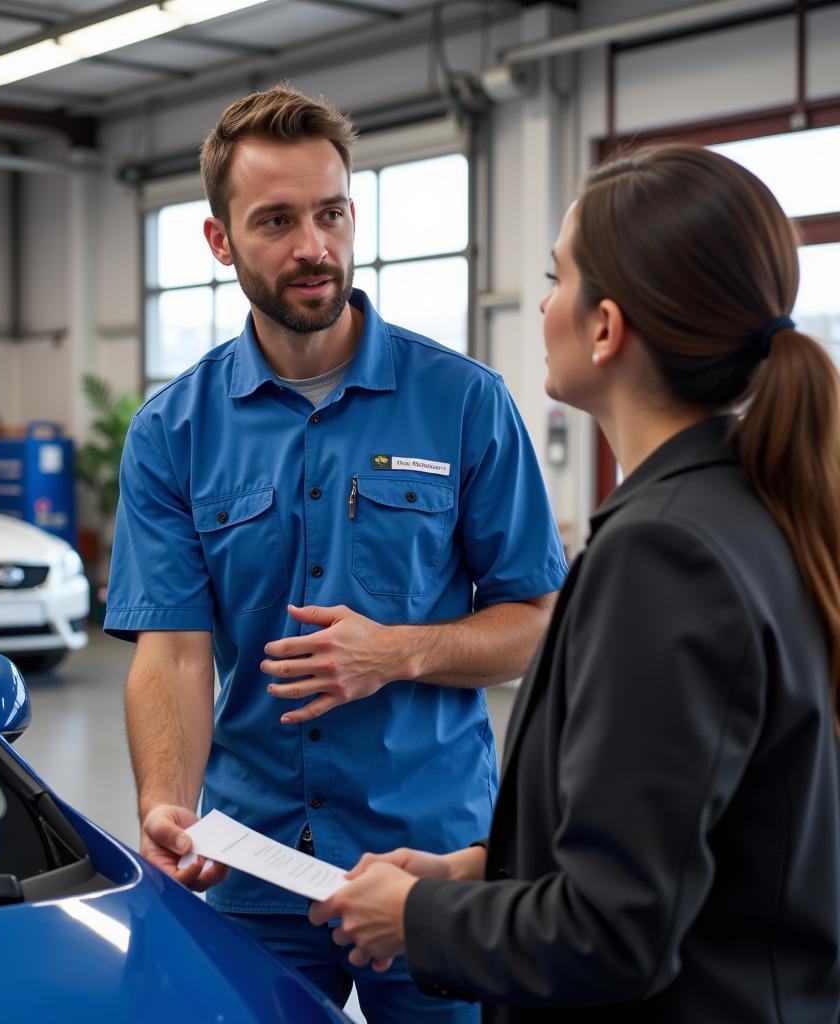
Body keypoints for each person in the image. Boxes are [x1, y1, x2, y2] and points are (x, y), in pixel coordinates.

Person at [310, 143, 840, 1022]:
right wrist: (473, 872)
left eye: (557, 278)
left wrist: (421, 916)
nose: (544, 303)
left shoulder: (665, 555)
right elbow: (679, 838)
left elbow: (615, 930)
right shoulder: (753, 511)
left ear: (604, 327)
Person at [104, 85, 567, 1022]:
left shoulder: (466, 404)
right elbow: (176, 649)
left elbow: (539, 622)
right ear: (220, 241)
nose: (314, 245)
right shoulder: (173, 432)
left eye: (332, 212)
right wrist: (167, 803)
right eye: (276, 220)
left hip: (429, 858)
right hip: (253, 859)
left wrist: (399, 651)